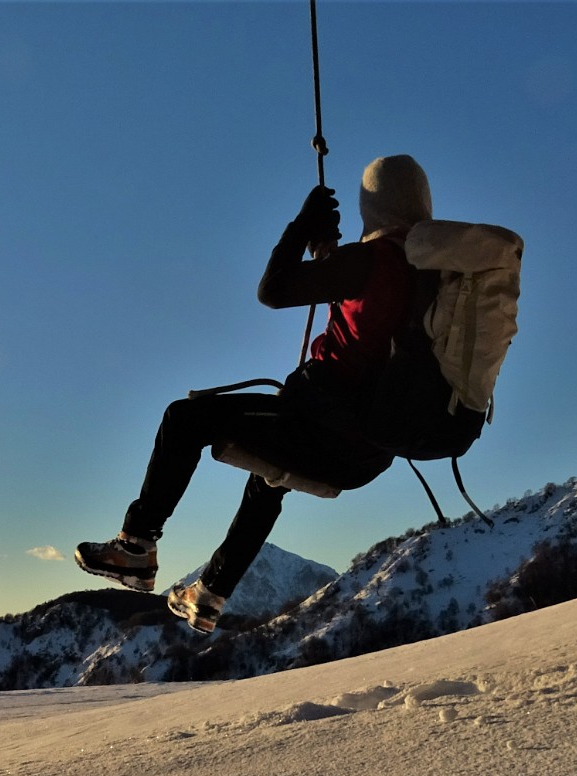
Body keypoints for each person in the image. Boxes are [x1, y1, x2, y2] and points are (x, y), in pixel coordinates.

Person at [75, 155, 435, 633]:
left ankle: (136, 547)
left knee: (186, 418)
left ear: (374, 207)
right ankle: (209, 594)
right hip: (366, 451)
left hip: (324, 423)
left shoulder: (376, 260)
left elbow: (274, 290)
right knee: (268, 476)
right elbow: (369, 316)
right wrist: (327, 251)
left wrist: (299, 227)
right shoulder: (427, 273)